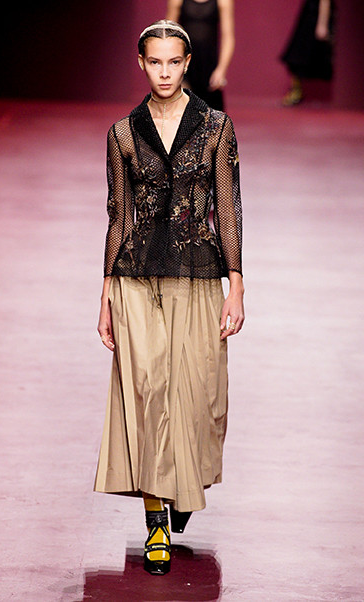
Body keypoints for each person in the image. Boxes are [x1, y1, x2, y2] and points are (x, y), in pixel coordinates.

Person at [94, 20, 244, 576]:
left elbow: (228, 207)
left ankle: (183, 486)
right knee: (147, 391)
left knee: (198, 393)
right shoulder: (122, 134)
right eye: (154, 62)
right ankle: (155, 521)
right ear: (141, 64)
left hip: (198, 273)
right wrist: (105, 295)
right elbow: (118, 217)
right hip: (136, 276)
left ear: (187, 64)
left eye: (173, 62)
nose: (163, 72)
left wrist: (237, 284)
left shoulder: (215, 127)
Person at [166, 0, 235, 110]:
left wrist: (221, 69)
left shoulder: (223, 2)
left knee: (212, 115)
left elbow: (228, 37)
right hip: (185, 64)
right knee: (182, 111)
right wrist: (171, 67)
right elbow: (168, 35)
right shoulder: (177, 1)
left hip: (209, 66)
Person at [280, 0, 335, 106]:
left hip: (315, 18)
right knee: (296, 56)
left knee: (301, 55)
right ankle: (296, 91)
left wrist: (322, 24)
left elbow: (325, 1)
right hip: (310, 15)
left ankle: (296, 92)